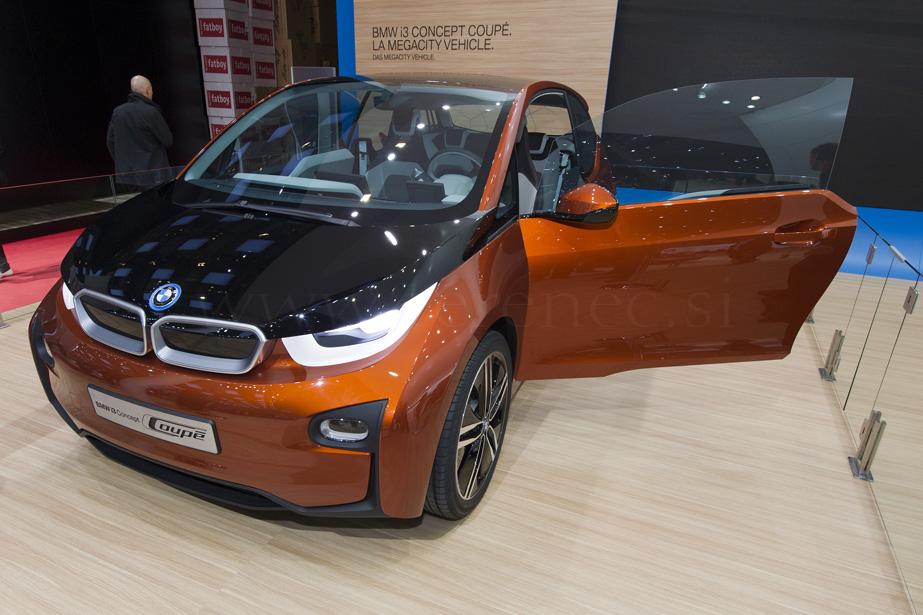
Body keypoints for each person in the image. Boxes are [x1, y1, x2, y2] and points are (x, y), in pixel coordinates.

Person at [106, 75, 173, 188]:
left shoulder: (118, 112)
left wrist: (122, 162)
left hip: (127, 176)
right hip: (154, 175)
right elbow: (168, 141)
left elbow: (110, 141)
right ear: (148, 90)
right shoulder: (151, 112)